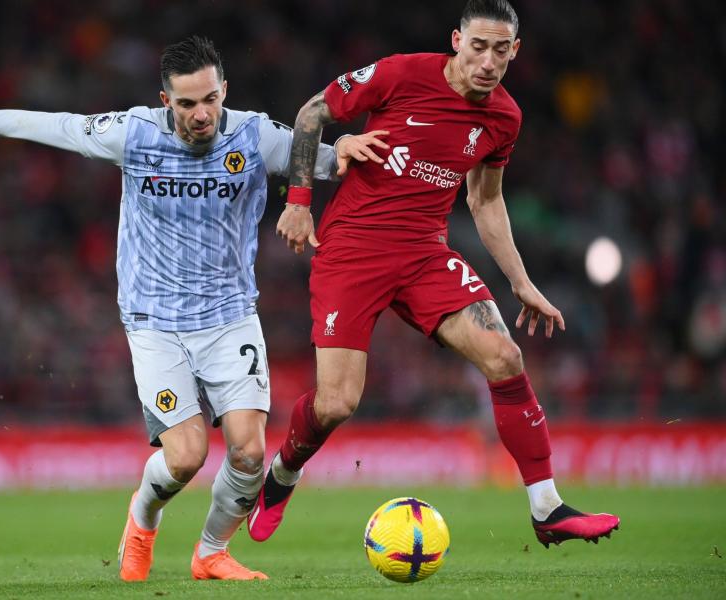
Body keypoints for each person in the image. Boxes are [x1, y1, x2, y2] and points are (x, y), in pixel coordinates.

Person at [0, 36, 385, 580]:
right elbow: (59, 126)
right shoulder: (134, 133)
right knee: (185, 457)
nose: (201, 113)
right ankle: (142, 519)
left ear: (224, 90)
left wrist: (343, 152)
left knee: (250, 454)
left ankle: (211, 553)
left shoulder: (253, 135)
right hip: (155, 321)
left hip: (230, 314)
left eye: (210, 99)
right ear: (166, 101)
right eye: (186, 104)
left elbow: (319, 160)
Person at [249, 0, 620, 549]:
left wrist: (521, 282)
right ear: (456, 41)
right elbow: (311, 114)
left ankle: (547, 508)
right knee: (337, 404)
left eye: (501, 50)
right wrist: (299, 200)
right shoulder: (401, 74)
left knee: (504, 355)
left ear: (514, 51)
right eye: (478, 46)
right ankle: (282, 475)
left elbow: (486, 201)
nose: (488, 61)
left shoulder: (504, 118)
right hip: (353, 249)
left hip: (424, 252)